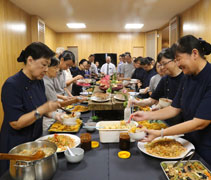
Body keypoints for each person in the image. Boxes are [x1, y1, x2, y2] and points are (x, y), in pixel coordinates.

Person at [132, 35, 211, 165]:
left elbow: (200, 122)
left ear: (194, 53)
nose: (178, 64)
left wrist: (160, 133)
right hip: (188, 143)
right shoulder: (188, 76)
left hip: (206, 149)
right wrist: (146, 115)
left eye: (179, 59)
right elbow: (174, 108)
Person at [0, 42, 61, 176]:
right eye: (44, 64)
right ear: (30, 60)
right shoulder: (12, 85)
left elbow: (42, 108)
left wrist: (54, 115)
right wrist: (43, 109)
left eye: (47, 65)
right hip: (17, 146)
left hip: (35, 140)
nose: (46, 69)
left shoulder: (38, 81)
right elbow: (16, 123)